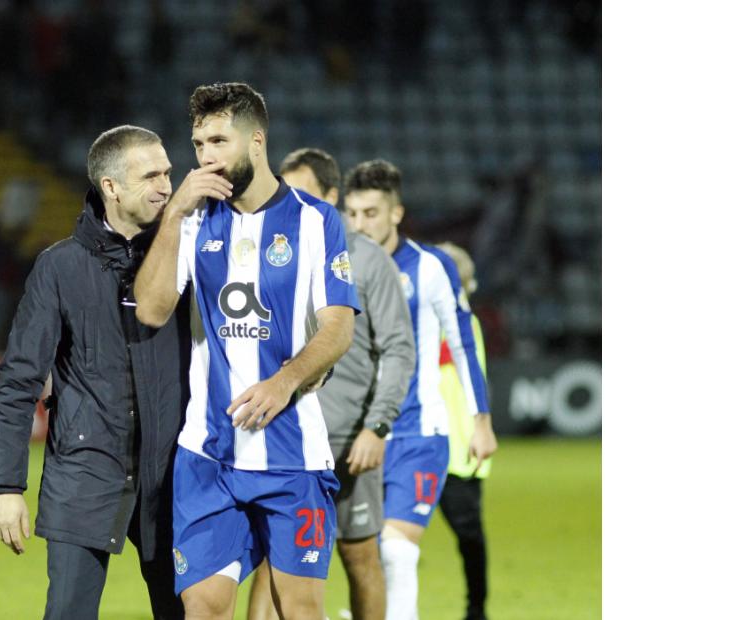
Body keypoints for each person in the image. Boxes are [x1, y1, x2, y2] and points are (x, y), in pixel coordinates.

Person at [134, 82, 359, 620]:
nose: (206, 157)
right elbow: (151, 308)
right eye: (198, 144)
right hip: (208, 454)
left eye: (218, 141)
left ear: (256, 142)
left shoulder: (314, 221)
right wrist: (173, 215)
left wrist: (284, 381)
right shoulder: (194, 219)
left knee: (299, 612)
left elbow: (337, 328)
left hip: (293, 457)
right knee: (205, 610)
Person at [0, 124, 188, 619]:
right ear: (111, 187)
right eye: (150, 175)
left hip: (176, 478)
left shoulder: (190, 258)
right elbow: (17, 382)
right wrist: (7, 487)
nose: (166, 185)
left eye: (167, 172)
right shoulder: (59, 267)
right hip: (83, 473)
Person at [247, 149, 417, 620]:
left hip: (345, 438)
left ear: (330, 197)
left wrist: (377, 427)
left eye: (303, 193)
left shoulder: (366, 260)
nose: (291, 202)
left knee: (359, 556)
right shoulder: (270, 249)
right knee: (268, 560)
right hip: (280, 434)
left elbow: (400, 351)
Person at [341, 159, 498, 620]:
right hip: (355, 432)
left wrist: (481, 422)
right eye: (351, 213)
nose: (359, 224)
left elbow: (464, 341)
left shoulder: (431, 266)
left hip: (417, 431)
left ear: (395, 213)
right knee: (361, 553)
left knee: (396, 551)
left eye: (370, 213)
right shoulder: (339, 262)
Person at [434, 242, 492, 620]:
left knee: (468, 534)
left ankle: (476, 608)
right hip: (419, 442)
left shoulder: (463, 323)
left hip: (457, 448)